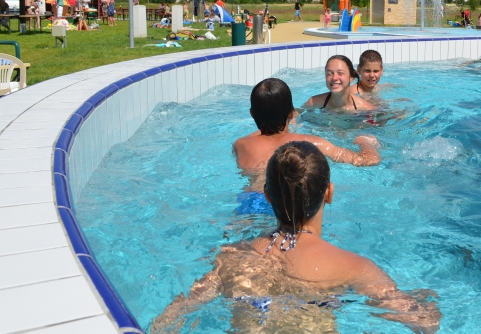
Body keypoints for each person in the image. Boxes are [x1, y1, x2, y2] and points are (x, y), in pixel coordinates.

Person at [151, 141, 440, 334]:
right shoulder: (354, 267)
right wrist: (428, 301)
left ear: (266, 196)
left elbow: (170, 319)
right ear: (329, 193)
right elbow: (424, 322)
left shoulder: (231, 256)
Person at [233, 78, 380, 177]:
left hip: (250, 200)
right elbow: (367, 160)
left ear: (252, 114)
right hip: (291, 204)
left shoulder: (240, 144)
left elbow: (265, 137)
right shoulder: (310, 142)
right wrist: (365, 141)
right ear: (291, 114)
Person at [303, 55, 375, 111]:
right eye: (329, 73)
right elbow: (295, 116)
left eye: (340, 73)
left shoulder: (365, 108)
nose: (334, 78)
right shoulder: (314, 102)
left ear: (351, 77)